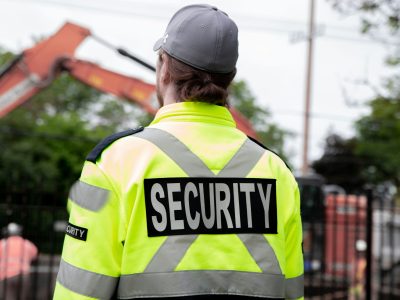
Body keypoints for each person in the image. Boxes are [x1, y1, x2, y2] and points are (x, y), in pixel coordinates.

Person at [54, 4, 303, 300]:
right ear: (230, 78)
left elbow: (78, 293)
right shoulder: (278, 174)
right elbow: (292, 293)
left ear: (164, 67)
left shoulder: (112, 163)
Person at [0, 223, 38, 300]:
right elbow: (35, 255)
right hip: (23, 275)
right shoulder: (27, 244)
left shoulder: (3, 244)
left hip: (6, 276)